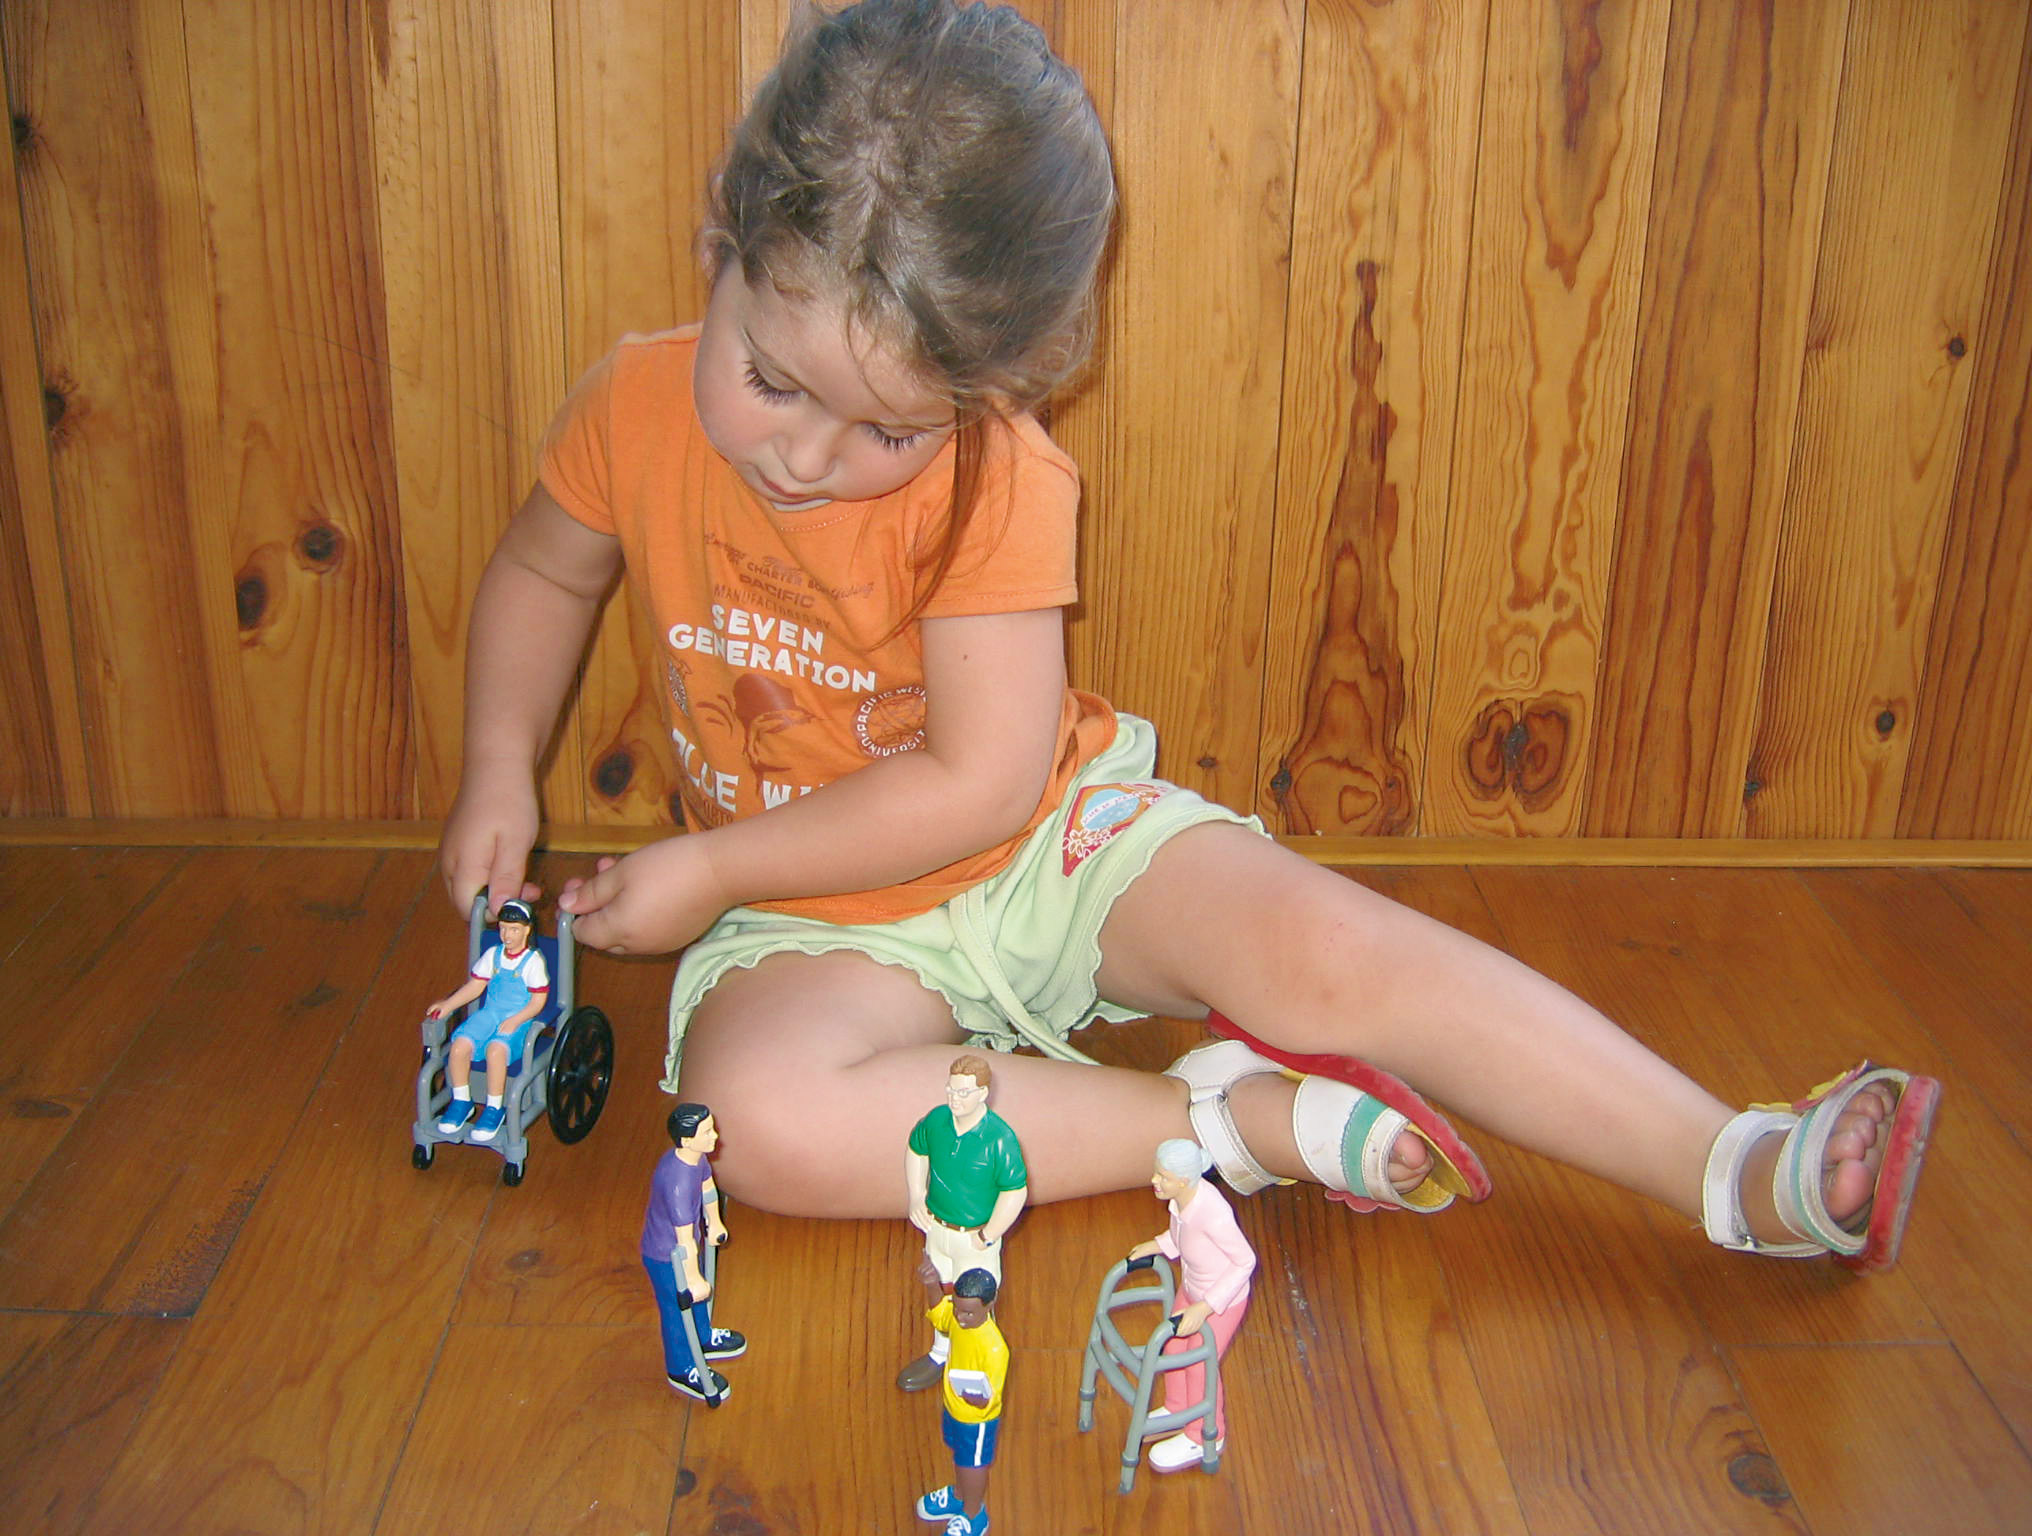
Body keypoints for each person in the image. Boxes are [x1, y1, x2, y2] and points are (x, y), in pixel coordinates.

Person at [437, 0, 1938, 1295]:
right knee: (752, 1122)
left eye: (887, 427)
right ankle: (1225, 1130)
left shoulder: (1001, 474)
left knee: (1324, 946)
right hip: (809, 917)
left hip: (1042, 845)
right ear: (722, 242)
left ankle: (1732, 1165)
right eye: (771, 381)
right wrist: (500, 766)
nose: (809, 459)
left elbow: (978, 785)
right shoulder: (627, 408)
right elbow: (538, 573)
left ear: (984, 390)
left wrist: (698, 871)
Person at [902, 1054, 1027, 1391]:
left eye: (963, 1093)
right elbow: (916, 1150)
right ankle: (941, 1352)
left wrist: (990, 1233)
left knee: (973, 1303)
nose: (955, 1100)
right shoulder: (937, 1121)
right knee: (939, 1293)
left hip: (975, 1238)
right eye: (951, 1091)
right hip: (938, 1229)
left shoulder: (999, 1138)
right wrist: (916, 1195)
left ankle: (980, 1363)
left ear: (983, 1093)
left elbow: (1015, 1190)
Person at [1128, 1139, 1254, 1473]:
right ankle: (1178, 1407)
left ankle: (1204, 1435)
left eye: (1163, 1176)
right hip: (1193, 1288)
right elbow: (1182, 1238)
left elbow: (1245, 1261)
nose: (1155, 1180)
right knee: (1172, 1346)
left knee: (1200, 1363)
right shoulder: (1179, 1202)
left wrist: (1206, 1308)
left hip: (1219, 1301)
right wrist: (1157, 1244)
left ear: (1183, 1180)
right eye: (1157, 1172)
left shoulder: (1211, 1212)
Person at [640, 1102, 747, 1403]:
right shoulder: (676, 1181)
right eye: (707, 1132)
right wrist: (692, 1277)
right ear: (686, 1139)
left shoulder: (696, 1159)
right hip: (667, 1256)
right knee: (677, 1308)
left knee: (698, 1302)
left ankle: (702, 1336)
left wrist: (714, 1222)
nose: (715, 1136)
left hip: (690, 1245)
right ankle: (682, 1367)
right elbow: (682, 1236)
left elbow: (709, 1188)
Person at [428, 898, 549, 1143]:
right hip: (490, 1013)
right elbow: (475, 986)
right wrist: (448, 1005)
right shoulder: (493, 955)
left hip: (518, 1018)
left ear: (527, 930)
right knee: (460, 1044)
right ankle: (462, 1102)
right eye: (503, 928)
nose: (507, 935)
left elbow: (537, 1002)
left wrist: (517, 1020)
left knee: (496, 1051)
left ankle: (495, 1107)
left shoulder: (532, 962)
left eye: (514, 930)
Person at [914, 1260, 1006, 1536]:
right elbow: (938, 1314)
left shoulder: (994, 1348)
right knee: (959, 1458)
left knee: (973, 1464)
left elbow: (992, 1396)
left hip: (976, 1421)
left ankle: (974, 1514)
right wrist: (932, 1286)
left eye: (968, 1312)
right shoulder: (956, 1319)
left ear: (989, 1306)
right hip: (953, 1407)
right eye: (958, 1308)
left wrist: (978, 1400)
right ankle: (959, 1494)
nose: (960, 1317)